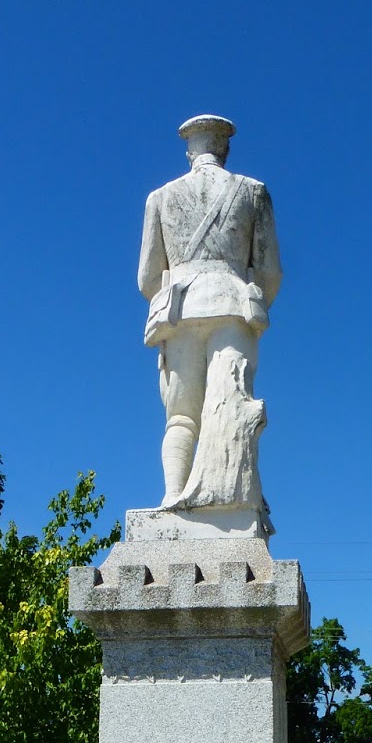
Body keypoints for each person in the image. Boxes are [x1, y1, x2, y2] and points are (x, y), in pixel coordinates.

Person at [138, 115, 282, 510]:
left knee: (181, 416)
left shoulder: (160, 198)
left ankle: (172, 496)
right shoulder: (253, 192)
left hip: (180, 310)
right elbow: (270, 271)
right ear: (225, 148)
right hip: (233, 305)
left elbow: (147, 277)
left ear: (190, 151)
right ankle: (232, 502)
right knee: (231, 406)